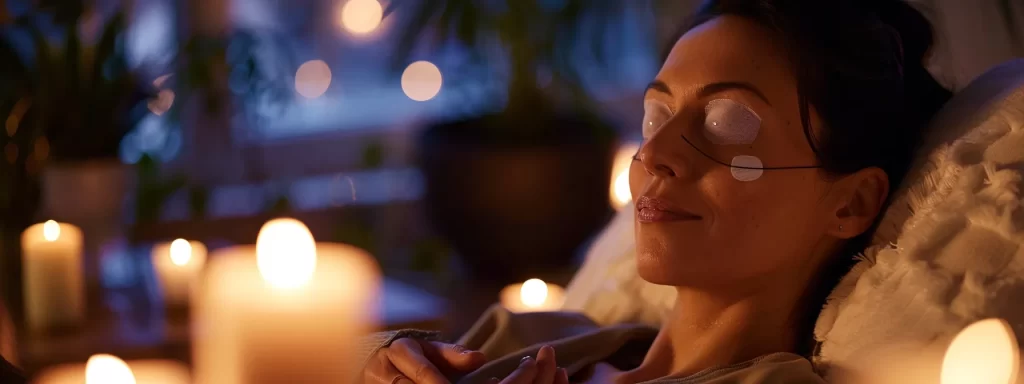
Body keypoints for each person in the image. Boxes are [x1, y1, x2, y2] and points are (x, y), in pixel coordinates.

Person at [360, 0, 953, 383]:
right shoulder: (529, 336)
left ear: (849, 203)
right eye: (656, 114)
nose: (653, 155)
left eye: (727, 123)